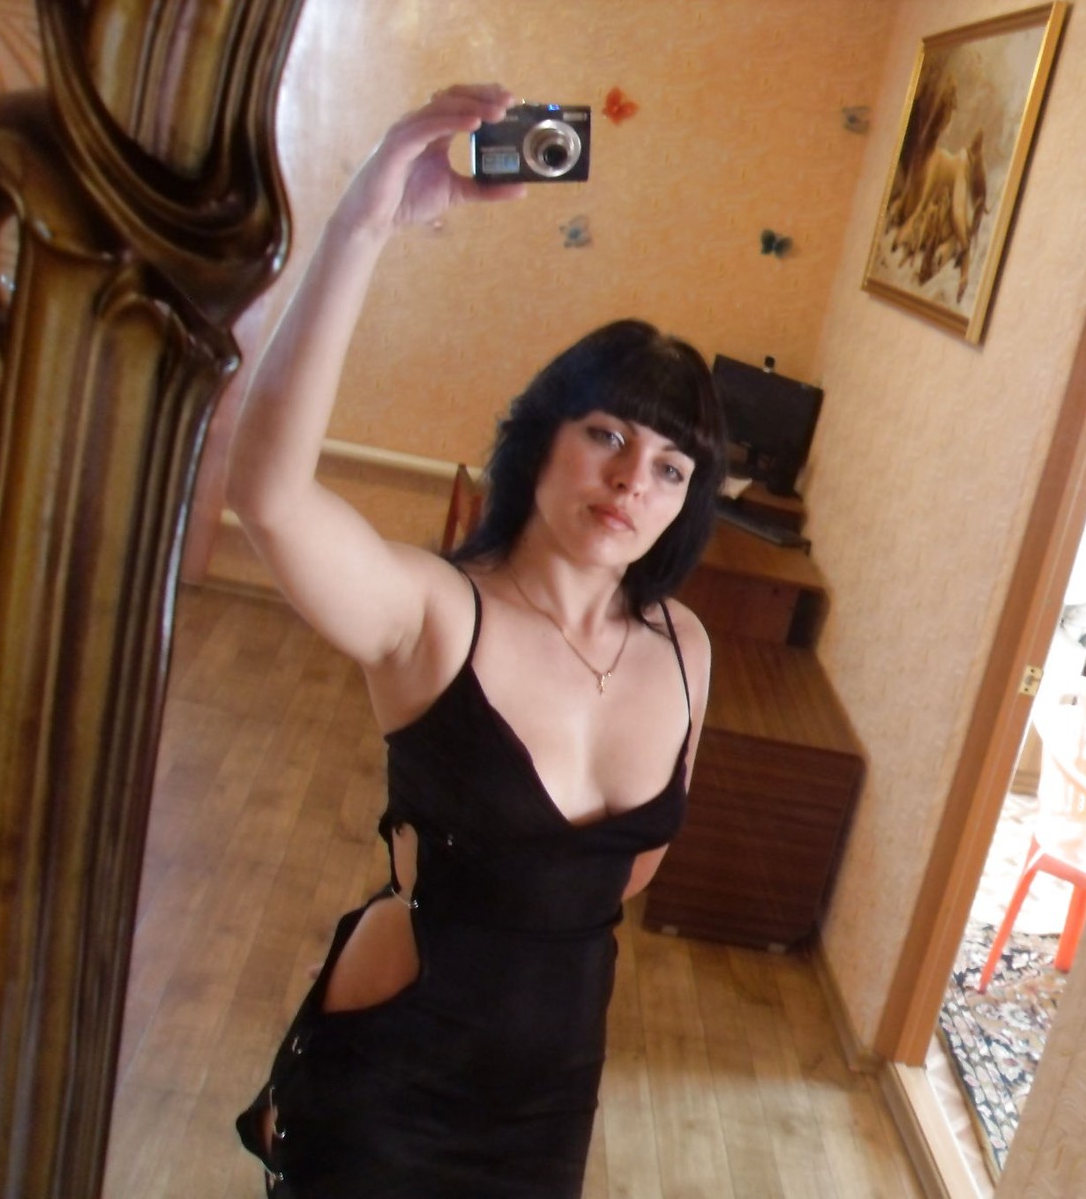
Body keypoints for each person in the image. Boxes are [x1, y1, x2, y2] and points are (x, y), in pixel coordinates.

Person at [226, 83, 725, 1197]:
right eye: (605, 434)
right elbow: (268, 496)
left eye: (669, 466)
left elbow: (623, 876)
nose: (630, 482)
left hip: (551, 1095)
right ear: (541, 439)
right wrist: (366, 222)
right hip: (391, 1083)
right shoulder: (435, 615)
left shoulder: (686, 648)